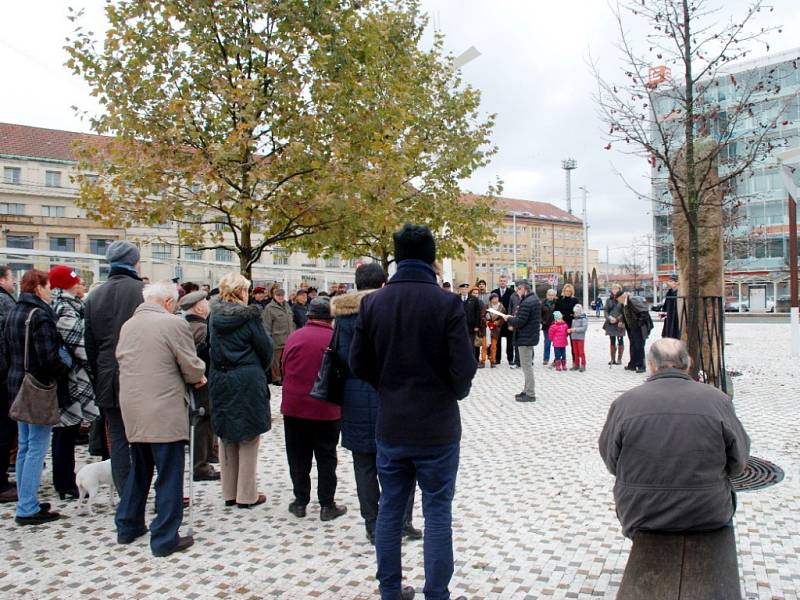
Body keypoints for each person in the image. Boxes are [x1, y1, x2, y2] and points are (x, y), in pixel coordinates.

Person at [350, 223, 476, 600]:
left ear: (397, 256)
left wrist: (387, 387)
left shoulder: (373, 303)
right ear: (431, 257)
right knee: (437, 512)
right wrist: (452, 391)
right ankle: (436, 593)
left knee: (390, 508)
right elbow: (463, 368)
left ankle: (389, 590)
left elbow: (359, 363)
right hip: (436, 426)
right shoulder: (447, 303)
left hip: (392, 424)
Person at [599, 338, 750, 539]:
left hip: (640, 513)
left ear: (651, 366)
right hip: (709, 512)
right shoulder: (717, 400)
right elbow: (738, 462)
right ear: (688, 363)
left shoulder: (624, 403)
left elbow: (612, 463)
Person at [114, 281, 206, 556]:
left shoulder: (129, 325)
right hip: (164, 407)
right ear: (168, 302)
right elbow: (190, 365)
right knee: (169, 473)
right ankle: (165, 537)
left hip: (133, 406)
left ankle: (127, 525)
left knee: (140, 468)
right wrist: (199, 374)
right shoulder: (172, 324)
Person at [332, 263, 421, 544]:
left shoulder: (343, 317)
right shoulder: (391, 311)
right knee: (403, 462)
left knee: (364, 465)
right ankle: (401, 520)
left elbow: (339, 356)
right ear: (383, 284)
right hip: (391, 395)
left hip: (355, 397)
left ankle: (373, 525)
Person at [4, 270, 70, 525]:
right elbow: (49, 359)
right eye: (49, 286)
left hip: (16, 383)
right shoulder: (40, 316)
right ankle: (27, 508)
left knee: (25, 446)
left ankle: (26, 500)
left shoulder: (13, 311)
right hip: (37, 388)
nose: (51, 291)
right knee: (36, 448)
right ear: (39, 287)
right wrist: (66, 366)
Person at [209, 273, 273, 509]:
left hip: (221, 377)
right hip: (246, 377)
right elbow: (265, 349)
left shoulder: (213, 316)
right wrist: (256, 368)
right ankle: (247, 495)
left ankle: (229, 492)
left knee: (227, 435)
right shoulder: (250, 318)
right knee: (248, 436)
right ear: (242, 292)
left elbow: (210, 347)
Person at [84, 240, 144, 494]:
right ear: (134, 262)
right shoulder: (141, 292)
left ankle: (126, 494)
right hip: (140, 375)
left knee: (118, 439)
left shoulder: (94, 295)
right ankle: (141, 491)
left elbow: (91, 345)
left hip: (107, 376)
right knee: (144, 438)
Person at [280, 298, 347, 521]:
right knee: (327, 457)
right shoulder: (335, 338)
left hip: (294, 407)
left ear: (309, 316)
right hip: (326, 408)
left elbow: (283, 367)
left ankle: (300, 502)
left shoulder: (294, 337)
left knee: (298, 456)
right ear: (332, 317)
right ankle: (327, 505)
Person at [49, 265, 100, 500]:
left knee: (67, 430)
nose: (81, 285)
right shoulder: (65, 309)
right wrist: (94, 365)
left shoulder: (70, 305)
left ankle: (66, 480)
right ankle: (65, 482)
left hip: (73, 376)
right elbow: (78, 344)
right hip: (71, 378)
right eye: (77, 282)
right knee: (65, 430)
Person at [179, 290, 218, 482]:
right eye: (205, 301)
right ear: (199, 307)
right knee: (203, 420)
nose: (208, 304)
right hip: (201, 380)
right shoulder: (201, 329)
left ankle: (207, 455)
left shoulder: (185, 325)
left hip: (192, 380)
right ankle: (200, 466)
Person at [501, 279, 541, 402]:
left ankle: (530, 393)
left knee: (527, 366)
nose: (517, 292)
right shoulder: (532, 299)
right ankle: (526, 390)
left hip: (525, 338)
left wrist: (509, 319)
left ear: (524, 289)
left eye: (518, 289)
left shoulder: (527, 302)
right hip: (528, 336)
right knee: (526, 366)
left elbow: (520, 321)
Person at [0, 265, 18, 504]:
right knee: (4, 431)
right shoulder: (4, 303)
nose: (13, 282)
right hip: (3, 378)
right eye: (11, 277)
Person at [262, 288, 295, 385]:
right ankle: (276, 378)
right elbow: (266, 325)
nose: (280, 297)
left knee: (285, 360)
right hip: (276, 338)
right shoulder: (269, 308)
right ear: (274, 296)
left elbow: (291, 320)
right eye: (278, 295)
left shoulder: (287, 305)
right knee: (275, 361)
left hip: (289, 338)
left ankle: (285, 376)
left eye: (282, 295)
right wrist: (268, 339)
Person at [620, 292, 653, 373]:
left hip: (639, 328)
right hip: (631, 328)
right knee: (633, 346)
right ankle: (633, 364)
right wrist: (622, 321)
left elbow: (643, 313)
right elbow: (626, 315)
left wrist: (639, 323)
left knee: (639, 346)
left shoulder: (633, 301)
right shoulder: (624, 304)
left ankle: (641, 366)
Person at [490, 275, 515, 365]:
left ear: (507, 282)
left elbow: (513, 307)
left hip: (508, 321)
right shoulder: (494, 292)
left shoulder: (512, 292)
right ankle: (497, 359)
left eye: (504, 281)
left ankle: (510, 359)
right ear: (498, 282)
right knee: (497, 341)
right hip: (497, 321)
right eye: (501, 281)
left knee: (510, 342)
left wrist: (512, 321)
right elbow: (490, 306)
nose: (502, 282)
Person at [603, 285, 626, 366]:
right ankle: (612, 359)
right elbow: (606, 311)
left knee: (620, 340)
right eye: (613, 288)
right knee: (612, 340)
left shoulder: (622, 299)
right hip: (610, 323)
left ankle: (619, 359)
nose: (614, 290)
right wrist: (609, 318)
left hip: (620, 322)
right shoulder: (608, 300)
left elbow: (624, 311)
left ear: (619, 289)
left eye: (616, 288)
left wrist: (618, 319)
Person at [485, 294, 505, 368]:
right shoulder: (487, 306)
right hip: (487, 328)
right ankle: (484, 359)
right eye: (493, 298)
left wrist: (498, 322)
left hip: (496, 329)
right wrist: (486, 321)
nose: (495, 299)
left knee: (494, 346)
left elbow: (503, 317)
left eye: (496, 298)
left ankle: (493, 361)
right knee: (486, 345)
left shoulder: (501, 307)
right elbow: (482, 315)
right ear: (490, 299)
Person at [568, 304, 588, 372]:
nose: (575, 314)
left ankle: (583, 365)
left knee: (581, 352)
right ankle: (576, 364)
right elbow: (572, 327)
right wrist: (570, 330)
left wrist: (575, 329)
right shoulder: (574, 319)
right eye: (575, 312)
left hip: (580, 338)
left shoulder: (584, 319)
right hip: (574, 337)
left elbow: (584, 328)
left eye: (576, 312)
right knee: (575, 352)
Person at [540, 288, 557, 366]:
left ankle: (556, 359)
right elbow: (539, 314)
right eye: (549, 295)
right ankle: (546, 359)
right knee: (547, 342)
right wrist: (542, 321)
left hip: (555, 326)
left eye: (552, 295)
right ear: (546, 295)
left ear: (555, 296)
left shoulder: (557, 303)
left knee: (556, 343)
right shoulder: (542, 303)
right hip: (546, 326)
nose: (550, 296)